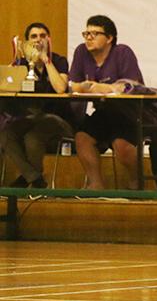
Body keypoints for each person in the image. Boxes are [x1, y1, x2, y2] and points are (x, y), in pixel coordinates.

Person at [69, 15, 146, 190]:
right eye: (86, 33)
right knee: (82, 138)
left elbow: (129, 86)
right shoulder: (81, 52)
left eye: (95, 34)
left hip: (127, 113)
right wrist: (87, 87)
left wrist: (102, 87)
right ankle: (96, 184)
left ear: (109, 38)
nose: (89, 38)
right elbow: (73, 85)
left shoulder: (122, 52)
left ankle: (136, 182)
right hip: (103, 111)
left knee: (121, 146)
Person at [0, 23, 72, 188]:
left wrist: (46, 60)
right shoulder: (21, 64)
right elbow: (6, 89)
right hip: (30, 118)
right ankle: (34, 178)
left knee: (32, 138)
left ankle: (27, 180)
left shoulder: (58, 61)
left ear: (49, 40)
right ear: (27, 42)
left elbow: (60, 88)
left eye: (42, 36)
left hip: (57, 120)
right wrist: (14, 66)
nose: (38, 40)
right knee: (5, 134)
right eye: (34, 36)